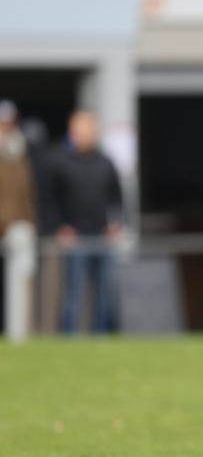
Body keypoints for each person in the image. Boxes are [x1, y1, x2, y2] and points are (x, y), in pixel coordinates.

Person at [48, 111, 123, 333]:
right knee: (74, 293)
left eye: (90, 130)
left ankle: (101, 338)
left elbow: (117, 198)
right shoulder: (61, 162)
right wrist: (60, 228)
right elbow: (50, 200)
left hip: (101, 237)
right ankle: (68, 337)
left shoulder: (105, 162)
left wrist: (116, 225)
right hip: (75, 238)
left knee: (103, 294)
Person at [0, 100, 36, 334]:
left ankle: (18, 333)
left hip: (19, 222)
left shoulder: (22, 148)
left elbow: (27, 191)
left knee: (22, 278)